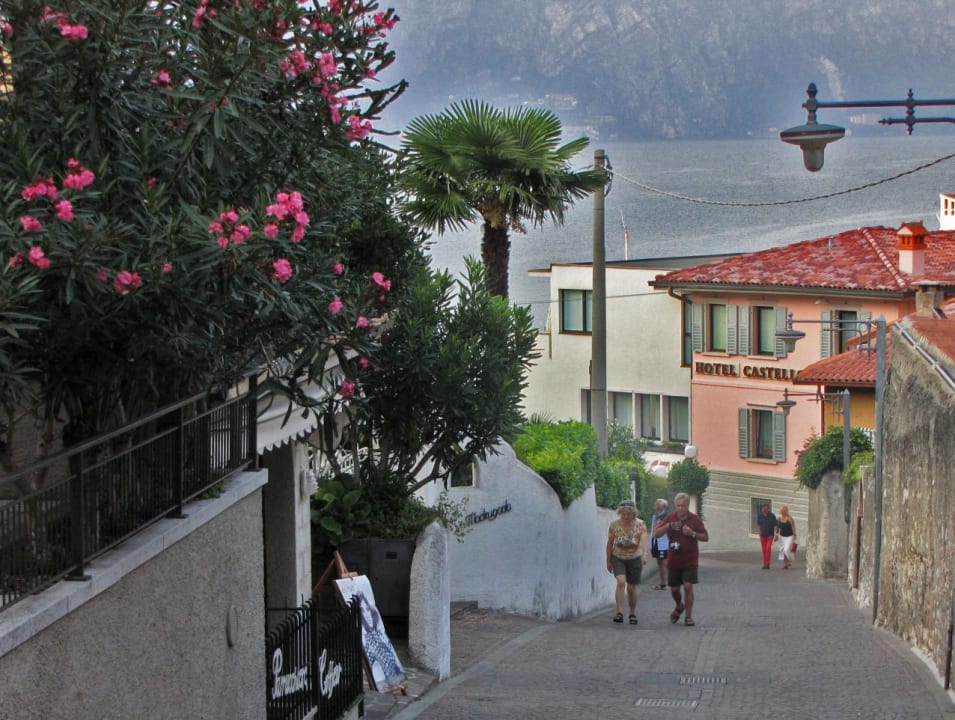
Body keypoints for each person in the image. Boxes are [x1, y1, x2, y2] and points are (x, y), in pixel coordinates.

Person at [654, 492, 708, 626]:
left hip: (690, 559)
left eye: (683, 506)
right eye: (678, 505)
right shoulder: (670, 517)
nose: (680, 508)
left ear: (688, 505)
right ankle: (679, 605)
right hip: (674, 559)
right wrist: (668, 526)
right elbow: (656, 534)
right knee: (674, 589)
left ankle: (688, 617)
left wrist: (692, 533)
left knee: (688, 586)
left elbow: (705, 537)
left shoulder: (694, 519)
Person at [606, 499, 649, 624]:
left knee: (631, 588)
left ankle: (632, 613)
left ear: (633, 513)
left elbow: (644, 540)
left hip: (635, 558)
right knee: (621, 582)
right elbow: (609, 543)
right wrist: (608, 560)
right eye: (623, 514)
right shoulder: (614, 525)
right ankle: (619, 612)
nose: (626, 516)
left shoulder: (640, 524)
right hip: (618, 557)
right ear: (620, 513)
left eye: (629, 514)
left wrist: (645, 553)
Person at [649, 498, 670, 589]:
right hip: (655, 542)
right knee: (659, 562)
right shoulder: (654, 516)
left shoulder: (666, 516)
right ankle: (663, 583)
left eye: (658, 504)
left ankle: (674, 580)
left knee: (665, 562)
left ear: (663, 506)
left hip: (663, 542)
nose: (656, 505)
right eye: (656, 503)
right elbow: (653, 530)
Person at [756, 503, 778, 569]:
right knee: (764, 550)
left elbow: (775, 525)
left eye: (765, 509)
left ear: (768, 509)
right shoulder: (760, 516)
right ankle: (765, 564)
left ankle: (767, 564)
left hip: (770, 535)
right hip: (762, 535)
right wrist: (759, 531)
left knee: (768, 548)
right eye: (763, 509)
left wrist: (776, 534)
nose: (764, 510)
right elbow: (759, 524)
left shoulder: (772, 516)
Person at [777, 505, 797, 569]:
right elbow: (777, 528)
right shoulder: (779, 519)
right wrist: (776, 535)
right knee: (782, 550)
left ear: (786, 511)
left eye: (783, 510)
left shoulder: (790, 518)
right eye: (781, 510)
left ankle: (789, 560)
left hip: (789, 536)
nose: (781, 511)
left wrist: (794, 535)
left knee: (786, 549)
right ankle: (785, 563)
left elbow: (793, 527)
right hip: (782, 536)